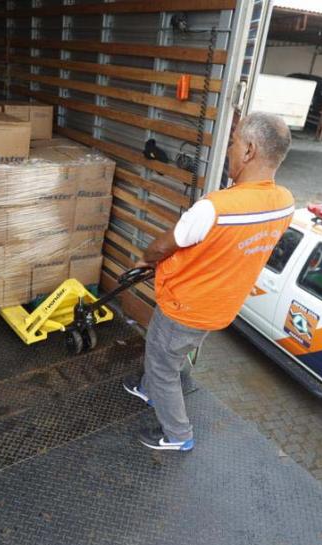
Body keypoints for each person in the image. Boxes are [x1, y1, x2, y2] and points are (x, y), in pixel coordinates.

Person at [123, 112, 295, 451]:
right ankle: (147, 389)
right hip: (220, 306)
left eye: (232, 143)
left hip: (185, 306)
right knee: (166, 355)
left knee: (163, 366)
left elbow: (164, 244)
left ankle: (177, 435)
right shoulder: (284, 203)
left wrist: (145, 259)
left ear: (248, 150)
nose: (230, 150)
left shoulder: (215, 208)